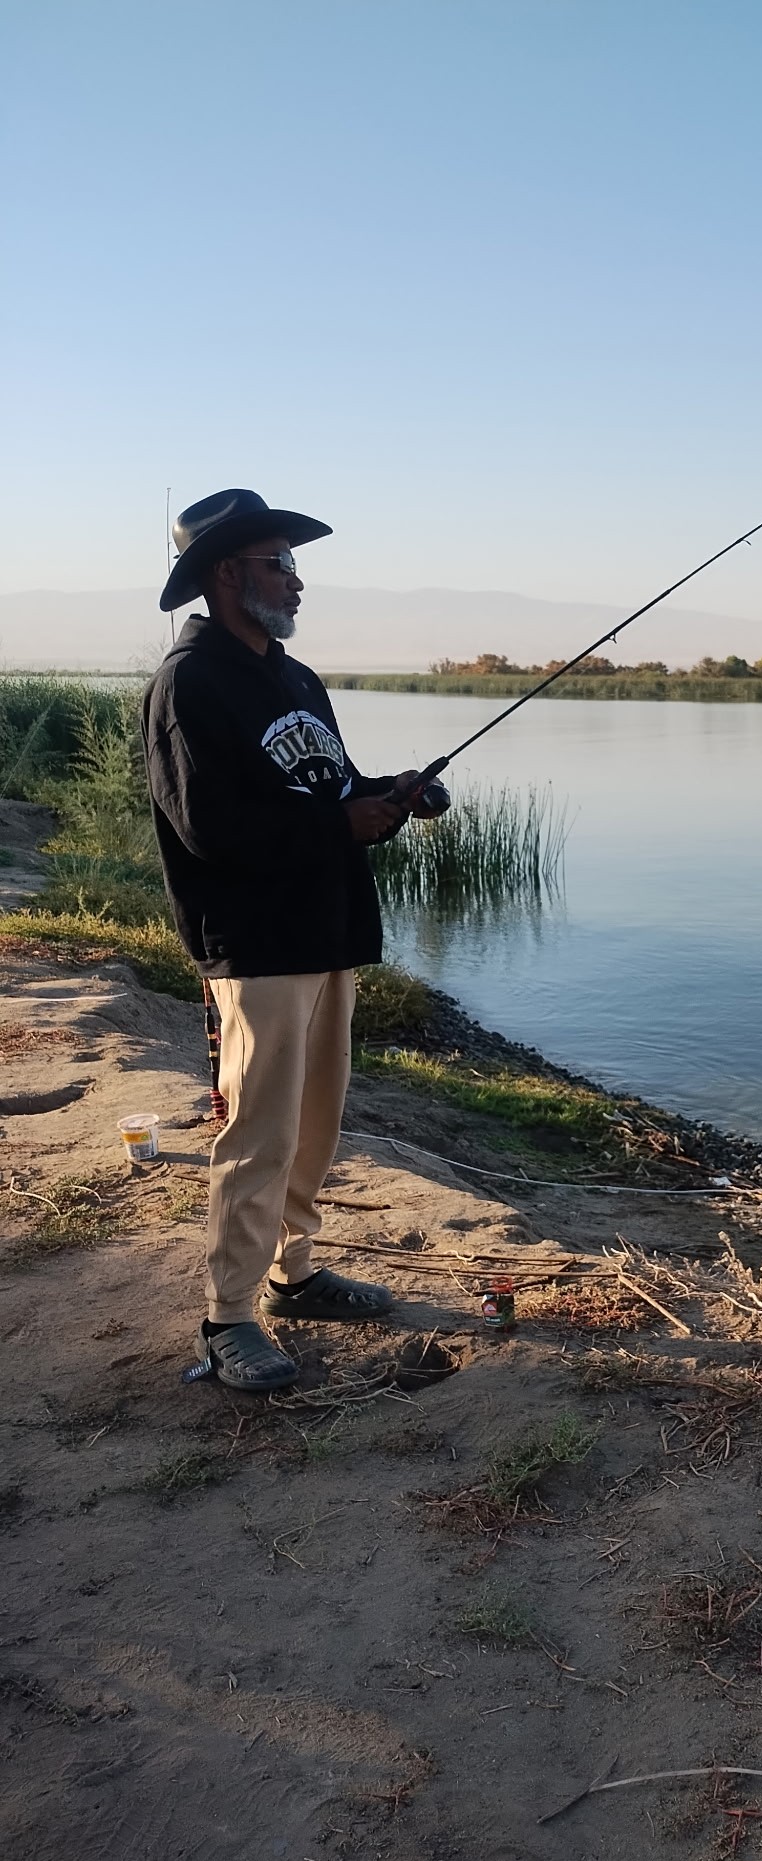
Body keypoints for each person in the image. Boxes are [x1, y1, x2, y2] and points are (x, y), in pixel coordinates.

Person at [142, 489, 447, 1391]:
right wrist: (340, 826)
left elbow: (333, 788)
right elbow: (210, 829)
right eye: (280, 562)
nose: (298, 580)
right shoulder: (188, 683)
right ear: (227, 572)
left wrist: (394, 794)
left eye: (293, 563)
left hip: (327, 932)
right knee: (258, 1130)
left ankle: (295, 1272)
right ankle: (226, 1317)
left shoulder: (295, 677)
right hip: (255, 944)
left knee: (316, 1120)